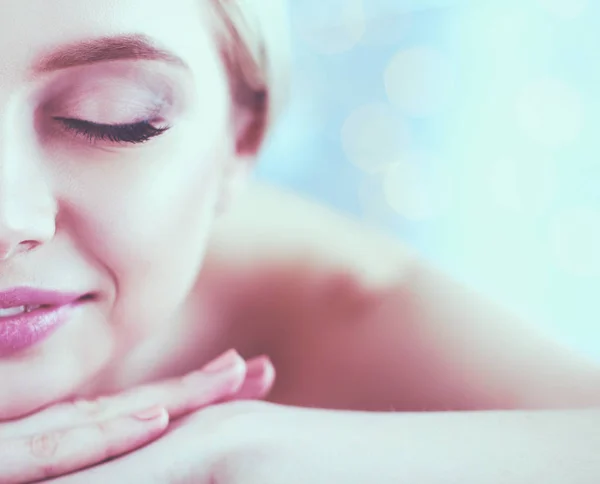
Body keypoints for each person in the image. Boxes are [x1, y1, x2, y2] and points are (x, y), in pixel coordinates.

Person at [0, 0, 598, 482]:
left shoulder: (335, 310)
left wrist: (238, 462)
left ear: (241, 143)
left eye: (110, 117)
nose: (8, 219)